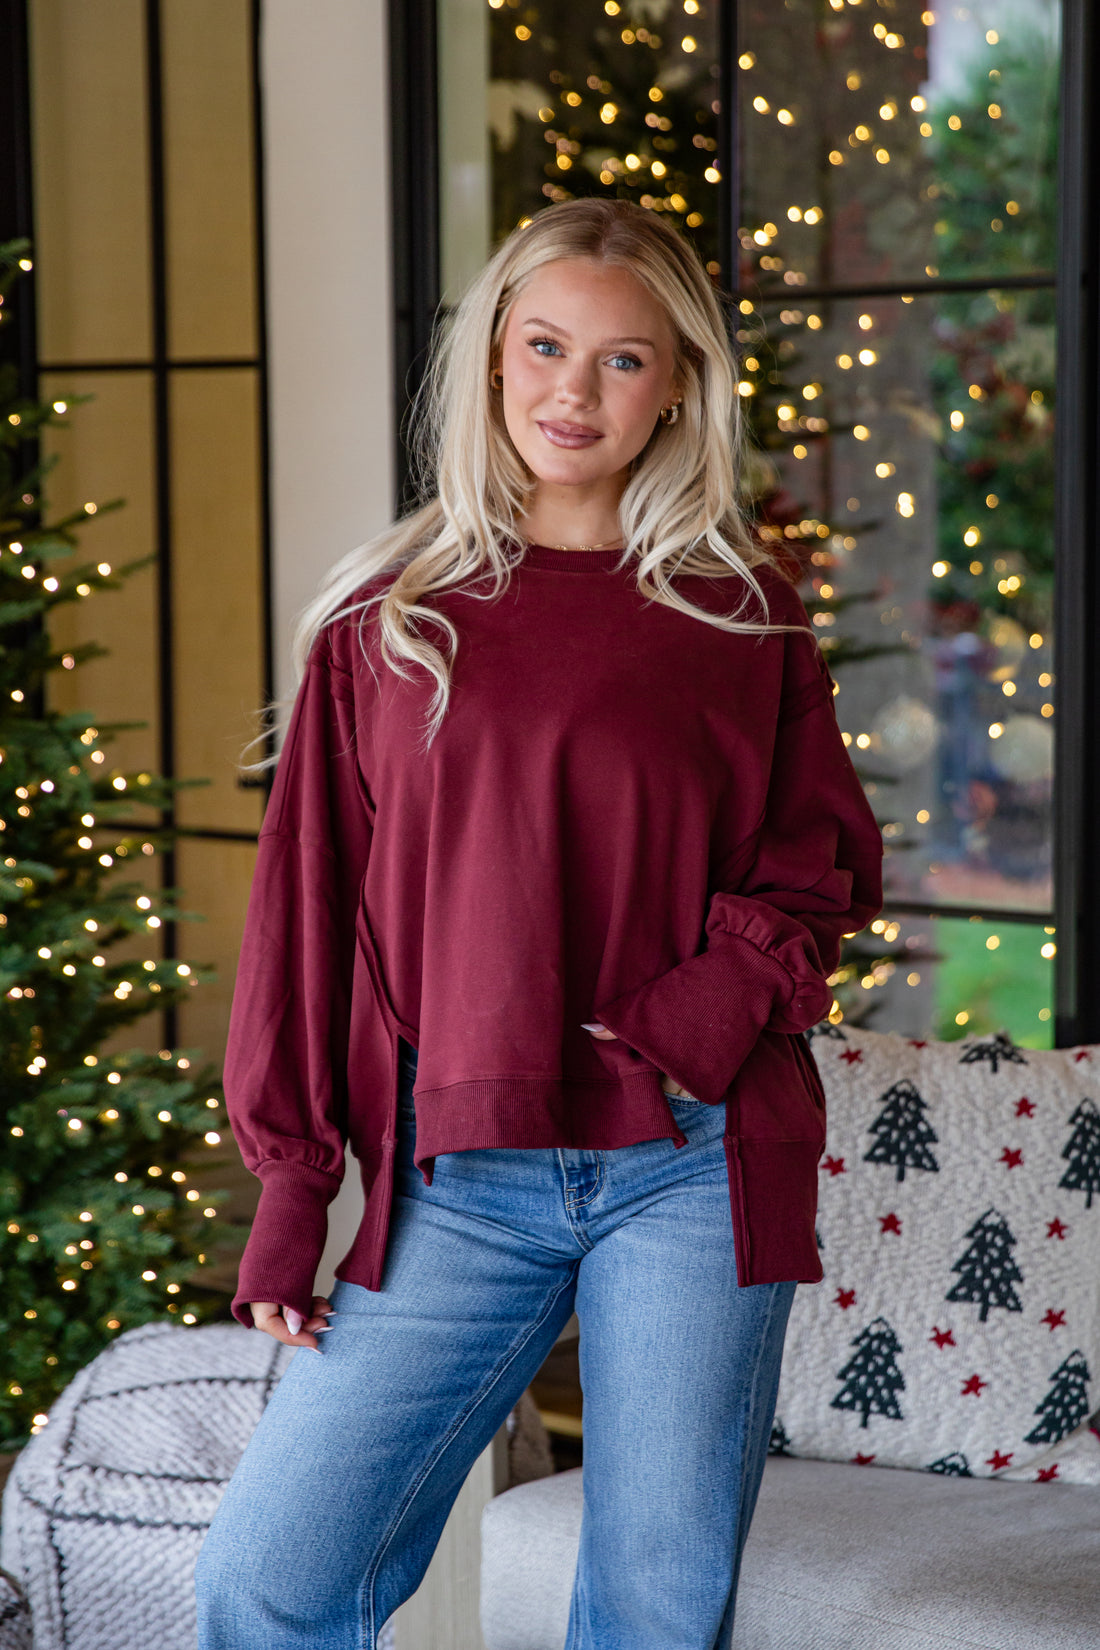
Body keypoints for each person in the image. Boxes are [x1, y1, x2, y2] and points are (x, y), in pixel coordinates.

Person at [194, 197, 883, 1649]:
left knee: (651, 1608)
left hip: (692, 1162)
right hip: (457, 1168)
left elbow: (818, 866)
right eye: (546, 345)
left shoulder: (741, 612)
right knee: (271, 1572)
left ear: (679, 386)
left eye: (624, 361)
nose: (575, 391)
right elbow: (306, 919)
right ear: (493, 357)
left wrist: (689, 1028)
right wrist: (292, 1188)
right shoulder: (388, 621)